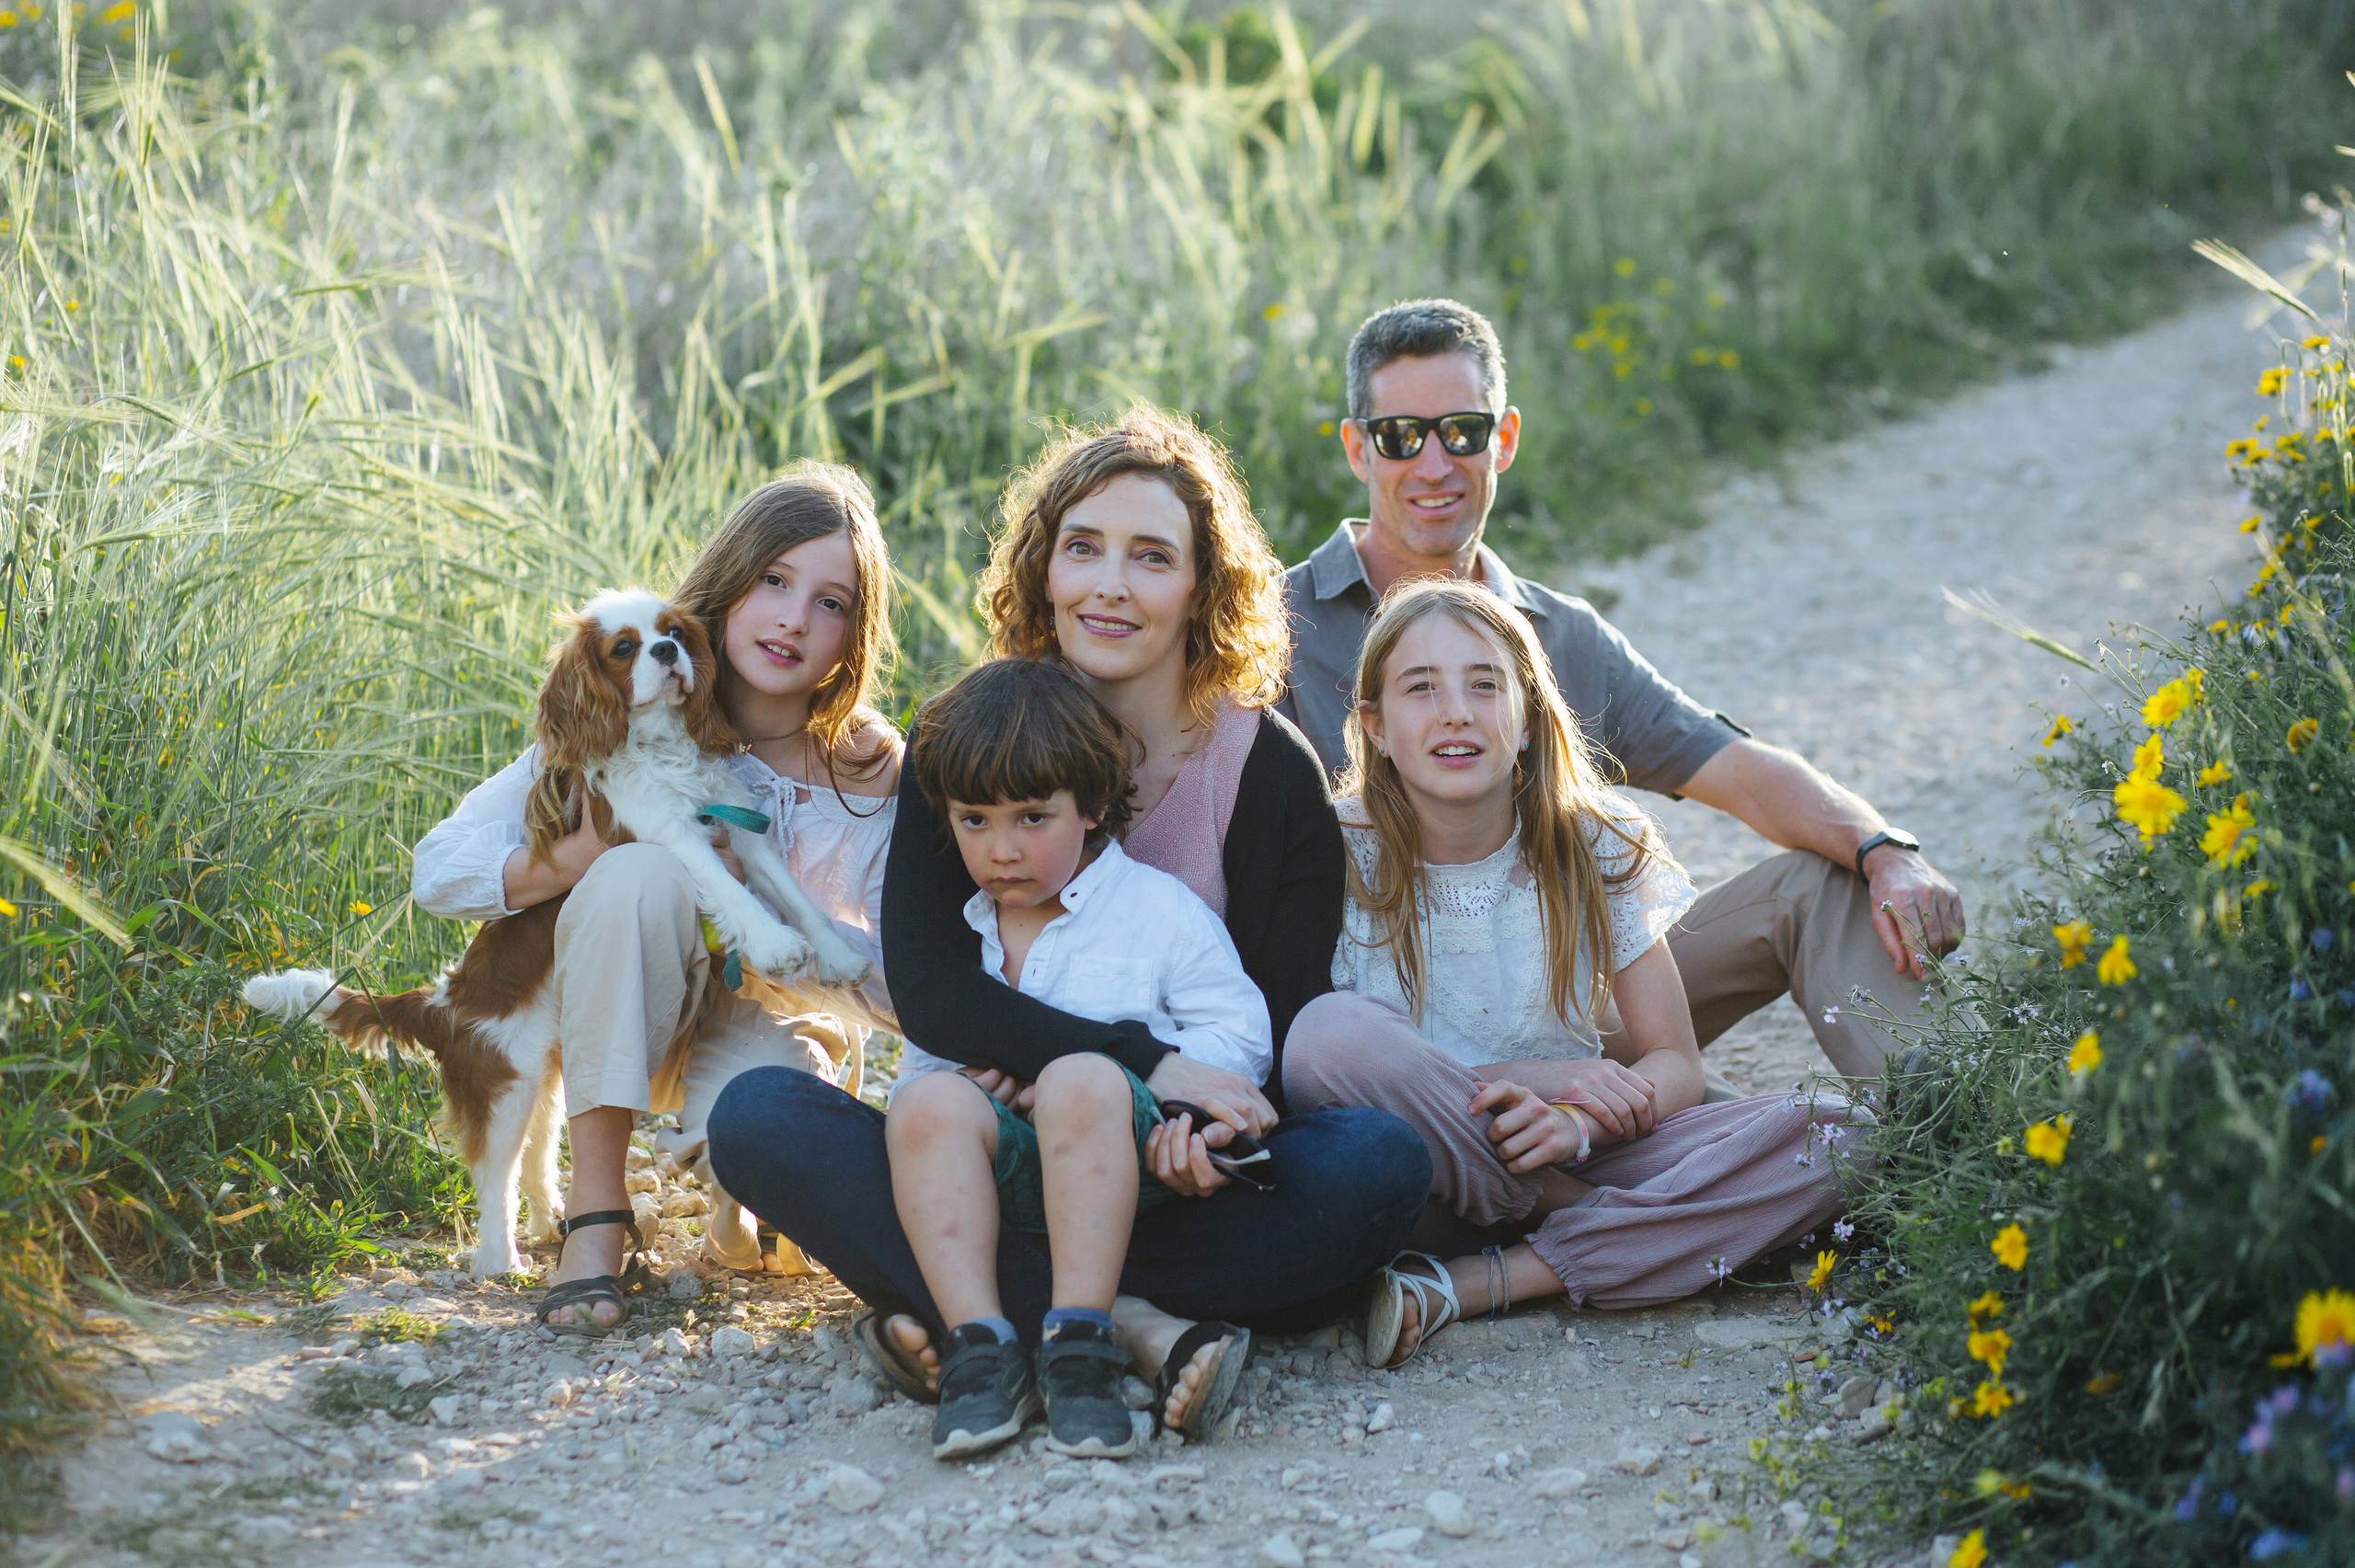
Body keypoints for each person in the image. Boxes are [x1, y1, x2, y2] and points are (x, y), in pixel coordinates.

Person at [708, 406, 1430, 1437]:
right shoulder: (966, 736)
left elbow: (1267, 1024)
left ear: (1200, 588)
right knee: (760, 1118)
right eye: (1082, 549)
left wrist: (1196, 1125)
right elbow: (937, 992)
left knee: (1377, 1165)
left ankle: (976, 1310)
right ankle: (1131, 1321)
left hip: (1169, 1176)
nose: (1109, 586)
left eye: (1150, 558)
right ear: (1043, 571)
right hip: (978, 1152)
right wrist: (1139, 1058)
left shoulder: (1268, 774)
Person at [1278, 299, 1968, 1083]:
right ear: (1357, 451)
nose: (1434, 465)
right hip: (1387, 1049)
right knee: (1729, 1140)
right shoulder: (1275, 626)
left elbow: (1733, 766)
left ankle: (1959, 1152)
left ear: (1502, 441)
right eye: (1401, 437)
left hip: (1575, 1018)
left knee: (1826, 878)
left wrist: (1885, 850)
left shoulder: (1560, 633)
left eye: (1462, 432)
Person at [1282, 578, 1849, 1363]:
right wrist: (1550, 1079)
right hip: (1425, 1178)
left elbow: (1675, 1063)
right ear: (1374, 727)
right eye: (1422, 689)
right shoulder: (1340, 850)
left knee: (1838, 1134)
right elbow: (1324, 1070)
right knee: (1328, 1038)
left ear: (1525, 720)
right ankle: (1615, 1225)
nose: (1457, 711)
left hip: (1581, 1152)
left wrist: (1576, 1125)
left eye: (1486, 685)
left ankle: (1493, 1278)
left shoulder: (1594, 840)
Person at [410, 463, 904, 1334]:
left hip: (767, 1018)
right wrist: (590, 849)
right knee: (635, 874)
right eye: (774, 580)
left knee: (776, 1140)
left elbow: (905, 979)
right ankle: (596, 1216)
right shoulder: (622, 724)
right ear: (730, 581)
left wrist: (783, 925)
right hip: (624, 1008)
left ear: (852, 637)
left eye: (831, 603)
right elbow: (438, 870)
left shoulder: (863, 768)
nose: (794, 616)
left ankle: (738, 1213)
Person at [889, 658, 1272, 1459]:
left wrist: (1185, 1113)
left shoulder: (1156, 910)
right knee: (923, 1105)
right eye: (974, 821)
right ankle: (981, 1348)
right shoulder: (963, 933)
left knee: (1083, 1077)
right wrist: (968, 1079)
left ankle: (1081, 1346)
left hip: (1127, 1168)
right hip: (1005, 1178)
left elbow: (1239, 1032)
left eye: (1033, 818)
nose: (1002, 850)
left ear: (1093, 806)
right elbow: (927, 1068)